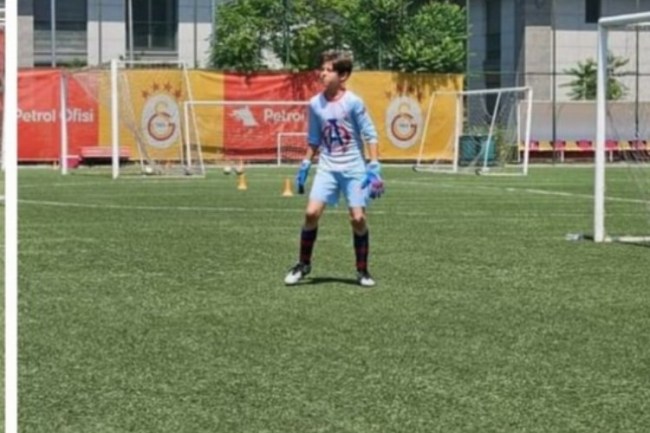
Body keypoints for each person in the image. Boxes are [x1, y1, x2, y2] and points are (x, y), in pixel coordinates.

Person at [284, 49, 385, 287]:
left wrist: (373, 166)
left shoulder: (353, 102)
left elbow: (370, 134)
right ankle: (303, 264)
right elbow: (314, 139)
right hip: (327, 168)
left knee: (358, 219)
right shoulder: (315, 104)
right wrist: (306, 163)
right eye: (322, 69)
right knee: (311, 214)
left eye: (329, 70)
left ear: (343, 76)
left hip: (354, 169)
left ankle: (362, 270)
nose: (322, 73)